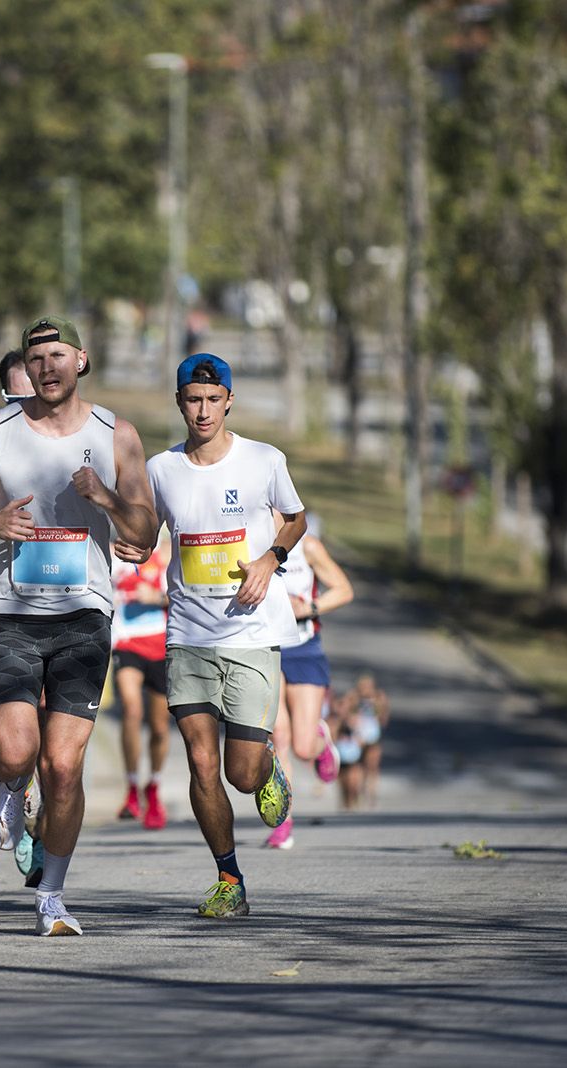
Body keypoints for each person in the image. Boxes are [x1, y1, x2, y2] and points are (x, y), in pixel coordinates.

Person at [0, 315, 158, 936]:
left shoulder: (117, 434)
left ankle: (52, 895)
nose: (47, 366)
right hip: (13, 613)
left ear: (82, 360)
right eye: (35, 356)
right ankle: (13, 787)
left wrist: (105, 499)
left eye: (57, 355)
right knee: (15, 752)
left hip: (84, 615)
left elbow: (146, 531)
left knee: (65, 767)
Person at [133, 352, 307, 919]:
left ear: (229, 401)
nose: (202, 410)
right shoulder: (162, 469)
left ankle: (266, 766)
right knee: (201, 763)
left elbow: (296, 517)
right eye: (192, 399)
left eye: (213, 400)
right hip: (187, 634)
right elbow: (144, 531)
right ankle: (229, 876)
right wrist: (127, 538)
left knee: (240, 772)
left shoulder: (264, 460)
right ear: (179, 402)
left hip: (252, 633)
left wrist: (270, 556)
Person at [264, 526, 354, 848]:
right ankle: (282, 821)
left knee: (302, 747)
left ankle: (319, 741)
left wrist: (309, 608)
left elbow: (344, 589)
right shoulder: (250, 541)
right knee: (278, 737)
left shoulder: (309, 547)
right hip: (265, 647)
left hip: (304, 648)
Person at [112, 540, 172, 829]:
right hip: (126, 643)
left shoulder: (165, 550)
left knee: (160, 728)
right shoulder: (113, 551)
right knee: (132, 710)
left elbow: (186, 596)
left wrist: (157, 597)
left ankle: (154, 787)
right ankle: (132, 788)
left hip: (160, 644)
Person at [351, 673, 390, 809]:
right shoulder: (354, 697)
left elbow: (384, 718)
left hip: (373, 735)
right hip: (359, 736)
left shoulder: (379, 697)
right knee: (359, 766)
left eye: (368, 686)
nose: (365, 689)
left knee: (372, 766)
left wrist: (380, 705)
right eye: (362, 686)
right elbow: (346, 714)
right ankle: (359, 792)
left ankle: (371, 793)